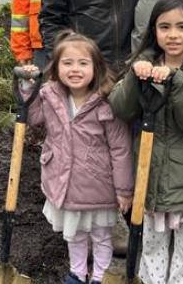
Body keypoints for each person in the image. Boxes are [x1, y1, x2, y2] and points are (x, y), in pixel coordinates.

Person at [110, 0, 183, 284]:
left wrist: (177, 80)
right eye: (164, 27)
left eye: (181, 27)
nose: (172, 35)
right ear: (154, 31)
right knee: (151, 249)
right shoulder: (143, 65)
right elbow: (120, 109)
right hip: (150, 179)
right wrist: (134, 79)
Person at [19, 31, 133, 284]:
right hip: (64, 182)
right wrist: (28, 87)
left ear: (96, 67)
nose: (75, 69)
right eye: (67, 63)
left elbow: (120, 148)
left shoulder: (106, 102)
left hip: (98, 185)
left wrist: (124, 189)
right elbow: (33, 117)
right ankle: (78, 273)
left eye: (83, 63)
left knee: (102, 235)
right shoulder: (50, 95)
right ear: (56, 67)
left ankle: (101, 276)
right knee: (75, 235)